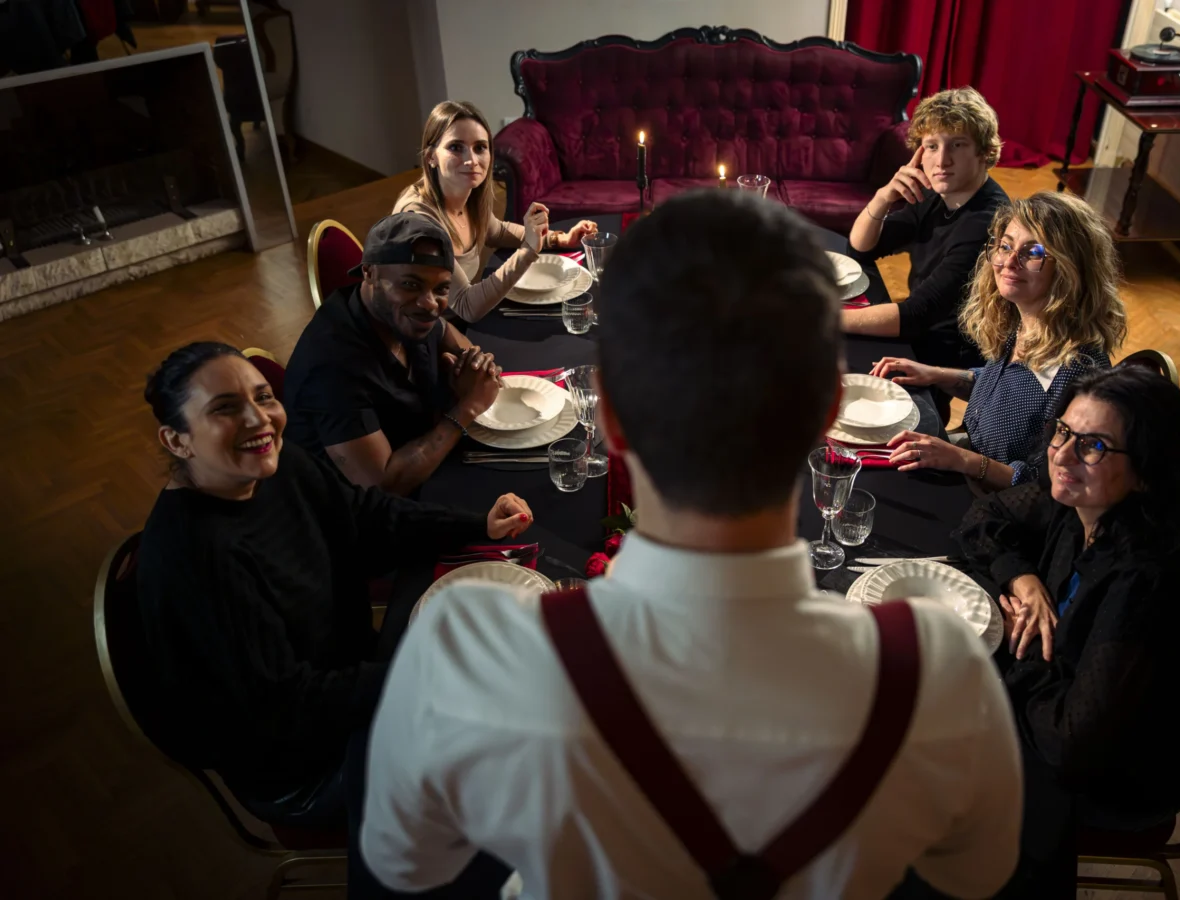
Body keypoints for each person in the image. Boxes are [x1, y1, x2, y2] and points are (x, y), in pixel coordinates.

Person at [360, 191, 1024, 899]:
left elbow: (407, 864)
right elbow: (977, 877)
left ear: (609, 415)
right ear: (826, 413)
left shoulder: (464, 651)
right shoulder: (941, 675)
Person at [136, 342, 532, 897]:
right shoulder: (195, 561)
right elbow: (290, 705)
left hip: (350, 681)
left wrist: (474, 526)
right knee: (511, 759)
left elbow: (365, 517)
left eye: (264, 396)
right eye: (225, 408)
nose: (258, 420)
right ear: (176, 439)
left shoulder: (274, 465)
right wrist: (427, 670)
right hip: (307, 759)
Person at [956, 366, 1180, 896]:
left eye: (1094, 445)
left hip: (1117, 773)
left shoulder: (1147, 581)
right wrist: (1024, 576)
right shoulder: (1083, 503)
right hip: (1069, 704)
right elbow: (981, 516)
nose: (1061, 455)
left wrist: (1026, 648)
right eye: (1063, 431)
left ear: (1147, 470)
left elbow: (1071, 744)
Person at [872, 191, 1128, 490]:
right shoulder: (1025, 319)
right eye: (1005, 246)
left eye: (1032, 253)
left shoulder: (1077, 370)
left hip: (1000, 507)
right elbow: (1008, 389)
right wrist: (935, 374)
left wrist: (961, 460)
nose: (1009, 261)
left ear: (1069, 268)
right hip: (970, 459)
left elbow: (1048, 486)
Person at [286, 212, 503, 497]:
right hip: (359, 520)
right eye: (410, 285)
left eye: (441, 289)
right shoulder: (332, 366)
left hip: (425, 468)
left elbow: (443, 327)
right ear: (369, 272)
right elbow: (384, 484)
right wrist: (467, 407)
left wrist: (472, 361)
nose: (429, 304)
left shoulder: (403, 315)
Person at [843, 87, 1010, 379]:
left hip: (945, 357)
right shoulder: (937, 194)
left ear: (984, 152)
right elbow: (862, 248)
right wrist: (883, 197)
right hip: (918, 331)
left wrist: (823, 317)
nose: (942, 161)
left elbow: (917, 315)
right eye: (931, 146)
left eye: (957, 145)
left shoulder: (988, 221)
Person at [394, 100, 598, 321]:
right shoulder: (420, 222)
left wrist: (559, 239)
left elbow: (497, 232)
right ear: (430, 157)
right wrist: (529, 249)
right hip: (424, 330)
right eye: (455, 147)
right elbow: (466, 306)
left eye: (480, 147)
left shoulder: (467, 195)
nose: (471, 160)